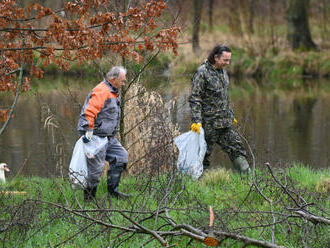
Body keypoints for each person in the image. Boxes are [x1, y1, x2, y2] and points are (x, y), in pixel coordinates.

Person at [189, 45, 250, 173]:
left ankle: (248, 179)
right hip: (208, 124)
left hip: (225, 123)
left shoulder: (223, 72)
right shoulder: (202, 72)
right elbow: (195, 98)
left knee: (237, 148)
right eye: (225, 60)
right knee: (202, 157)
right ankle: (197, 185)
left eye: (229, 60)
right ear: (216, 57)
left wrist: (230, 114)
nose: (227, 63)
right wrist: (196, 121)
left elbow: (224, 97)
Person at [77, 66, 130, 201]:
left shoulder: (113, 91)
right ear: (113, 79)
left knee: (121, 156)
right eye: (122, 81)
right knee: (95, 169)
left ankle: (113, 192)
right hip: (95, 137)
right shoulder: (102, 91)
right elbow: (89, 112)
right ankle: (89, 199)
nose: (124, 84)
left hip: (108, 138)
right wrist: (88, 131)